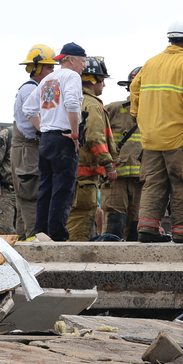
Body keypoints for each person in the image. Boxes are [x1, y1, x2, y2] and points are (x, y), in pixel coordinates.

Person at [131, 20, 183, 243]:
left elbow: (134, 91)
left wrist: (139, 117)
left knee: (153, 183)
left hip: (151, 139)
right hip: (178, 137)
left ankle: (147, 230)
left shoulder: (151, 63)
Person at [23, 42, 87, 241]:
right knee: (63, 188)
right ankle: (57, 234)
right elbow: (71, 102)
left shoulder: (48, 78)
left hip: (47, 138)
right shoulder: (72, 76)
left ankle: (41, 232)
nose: (84, 66)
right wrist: (75, 133)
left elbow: (29, 108)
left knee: (45, 187)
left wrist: (43, 128)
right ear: (72, 59)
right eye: (83, 61)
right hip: (64, 137)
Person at [68, 56, 117, 241]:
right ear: (93, 79)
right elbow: (95, 138)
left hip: (72, 173)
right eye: (102, 80)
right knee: (80, 224)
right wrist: (109, 164)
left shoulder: (72, 98)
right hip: (85, 178)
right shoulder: (93, 104)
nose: (103, 85)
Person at [11, 44, 56, 239]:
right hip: (28, 148)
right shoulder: (31, 91)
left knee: (25, 200)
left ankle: (23, 242)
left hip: (27, 148)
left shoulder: (34, 89)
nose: (52, 71)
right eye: (48, 68)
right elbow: (39, 119)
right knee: (31, 196)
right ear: (36, 68)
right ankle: (33, 241)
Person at [104, 66, 143, 240]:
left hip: (143, 179)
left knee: (139, 223)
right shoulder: (112, 110)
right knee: (115, 220)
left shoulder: (157, 116)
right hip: (116, 177)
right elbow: (98, 137)